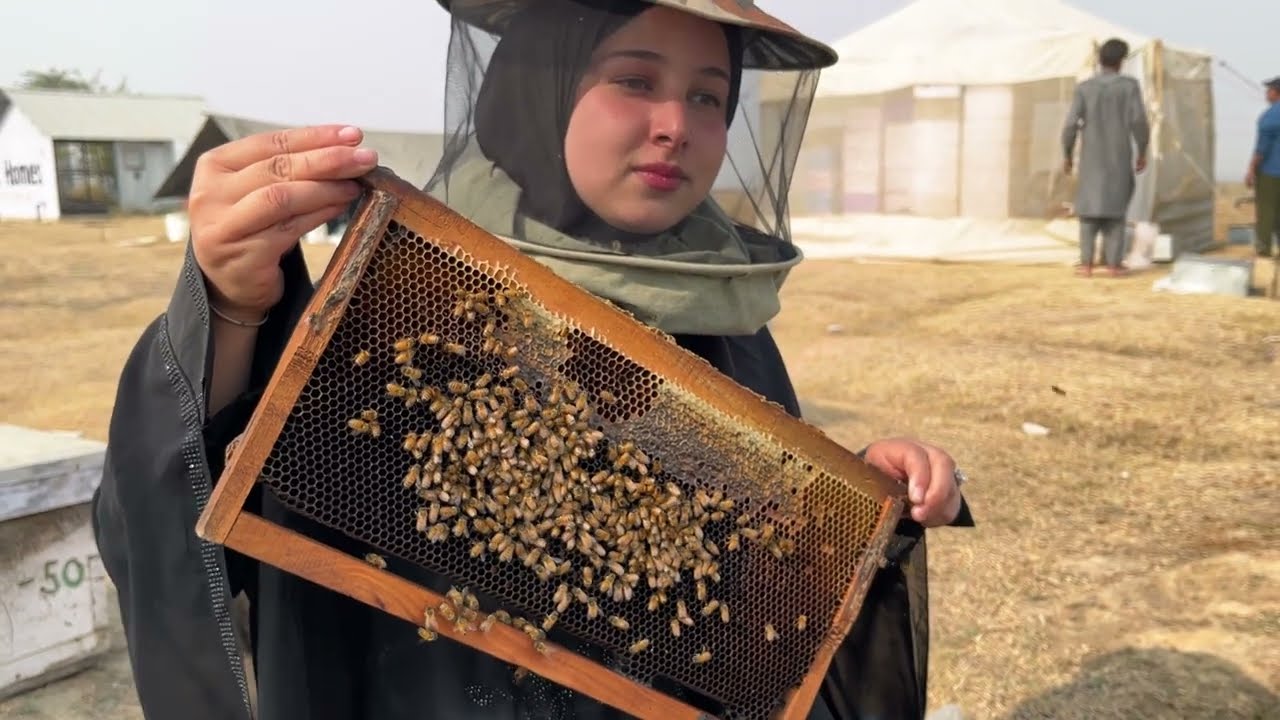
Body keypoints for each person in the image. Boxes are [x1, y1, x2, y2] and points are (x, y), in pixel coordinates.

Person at [91, 1, 974, 718]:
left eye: (709, 96)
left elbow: (756, 561)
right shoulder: (410, 297)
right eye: (635, 80)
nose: (676, 125)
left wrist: (860, 498)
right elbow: (185, 510)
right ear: (538, 87)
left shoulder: (727, 306)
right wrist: (234, 306)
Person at [1062, 37, 1151, 278]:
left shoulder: (1085, 88)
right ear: (1121, 61)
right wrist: (1142, 150)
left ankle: (1087, 264)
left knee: (1088, 211)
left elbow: (1070, 124)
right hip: (1118, 156)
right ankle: (1113, 264)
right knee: (1115, 211)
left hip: (1090, 158)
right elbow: (1138, 121)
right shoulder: (1129, 86)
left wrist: (1067, 154)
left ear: (1100, 60)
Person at [1246, 76, 1280, 257]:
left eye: (1269, 90)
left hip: (1271, 173)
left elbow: (1262, 149)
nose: (1266, 94)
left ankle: (1264, 250)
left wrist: (1251, 169)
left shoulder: (1270, 116)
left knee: (1267, 212)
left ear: (1276, 92)